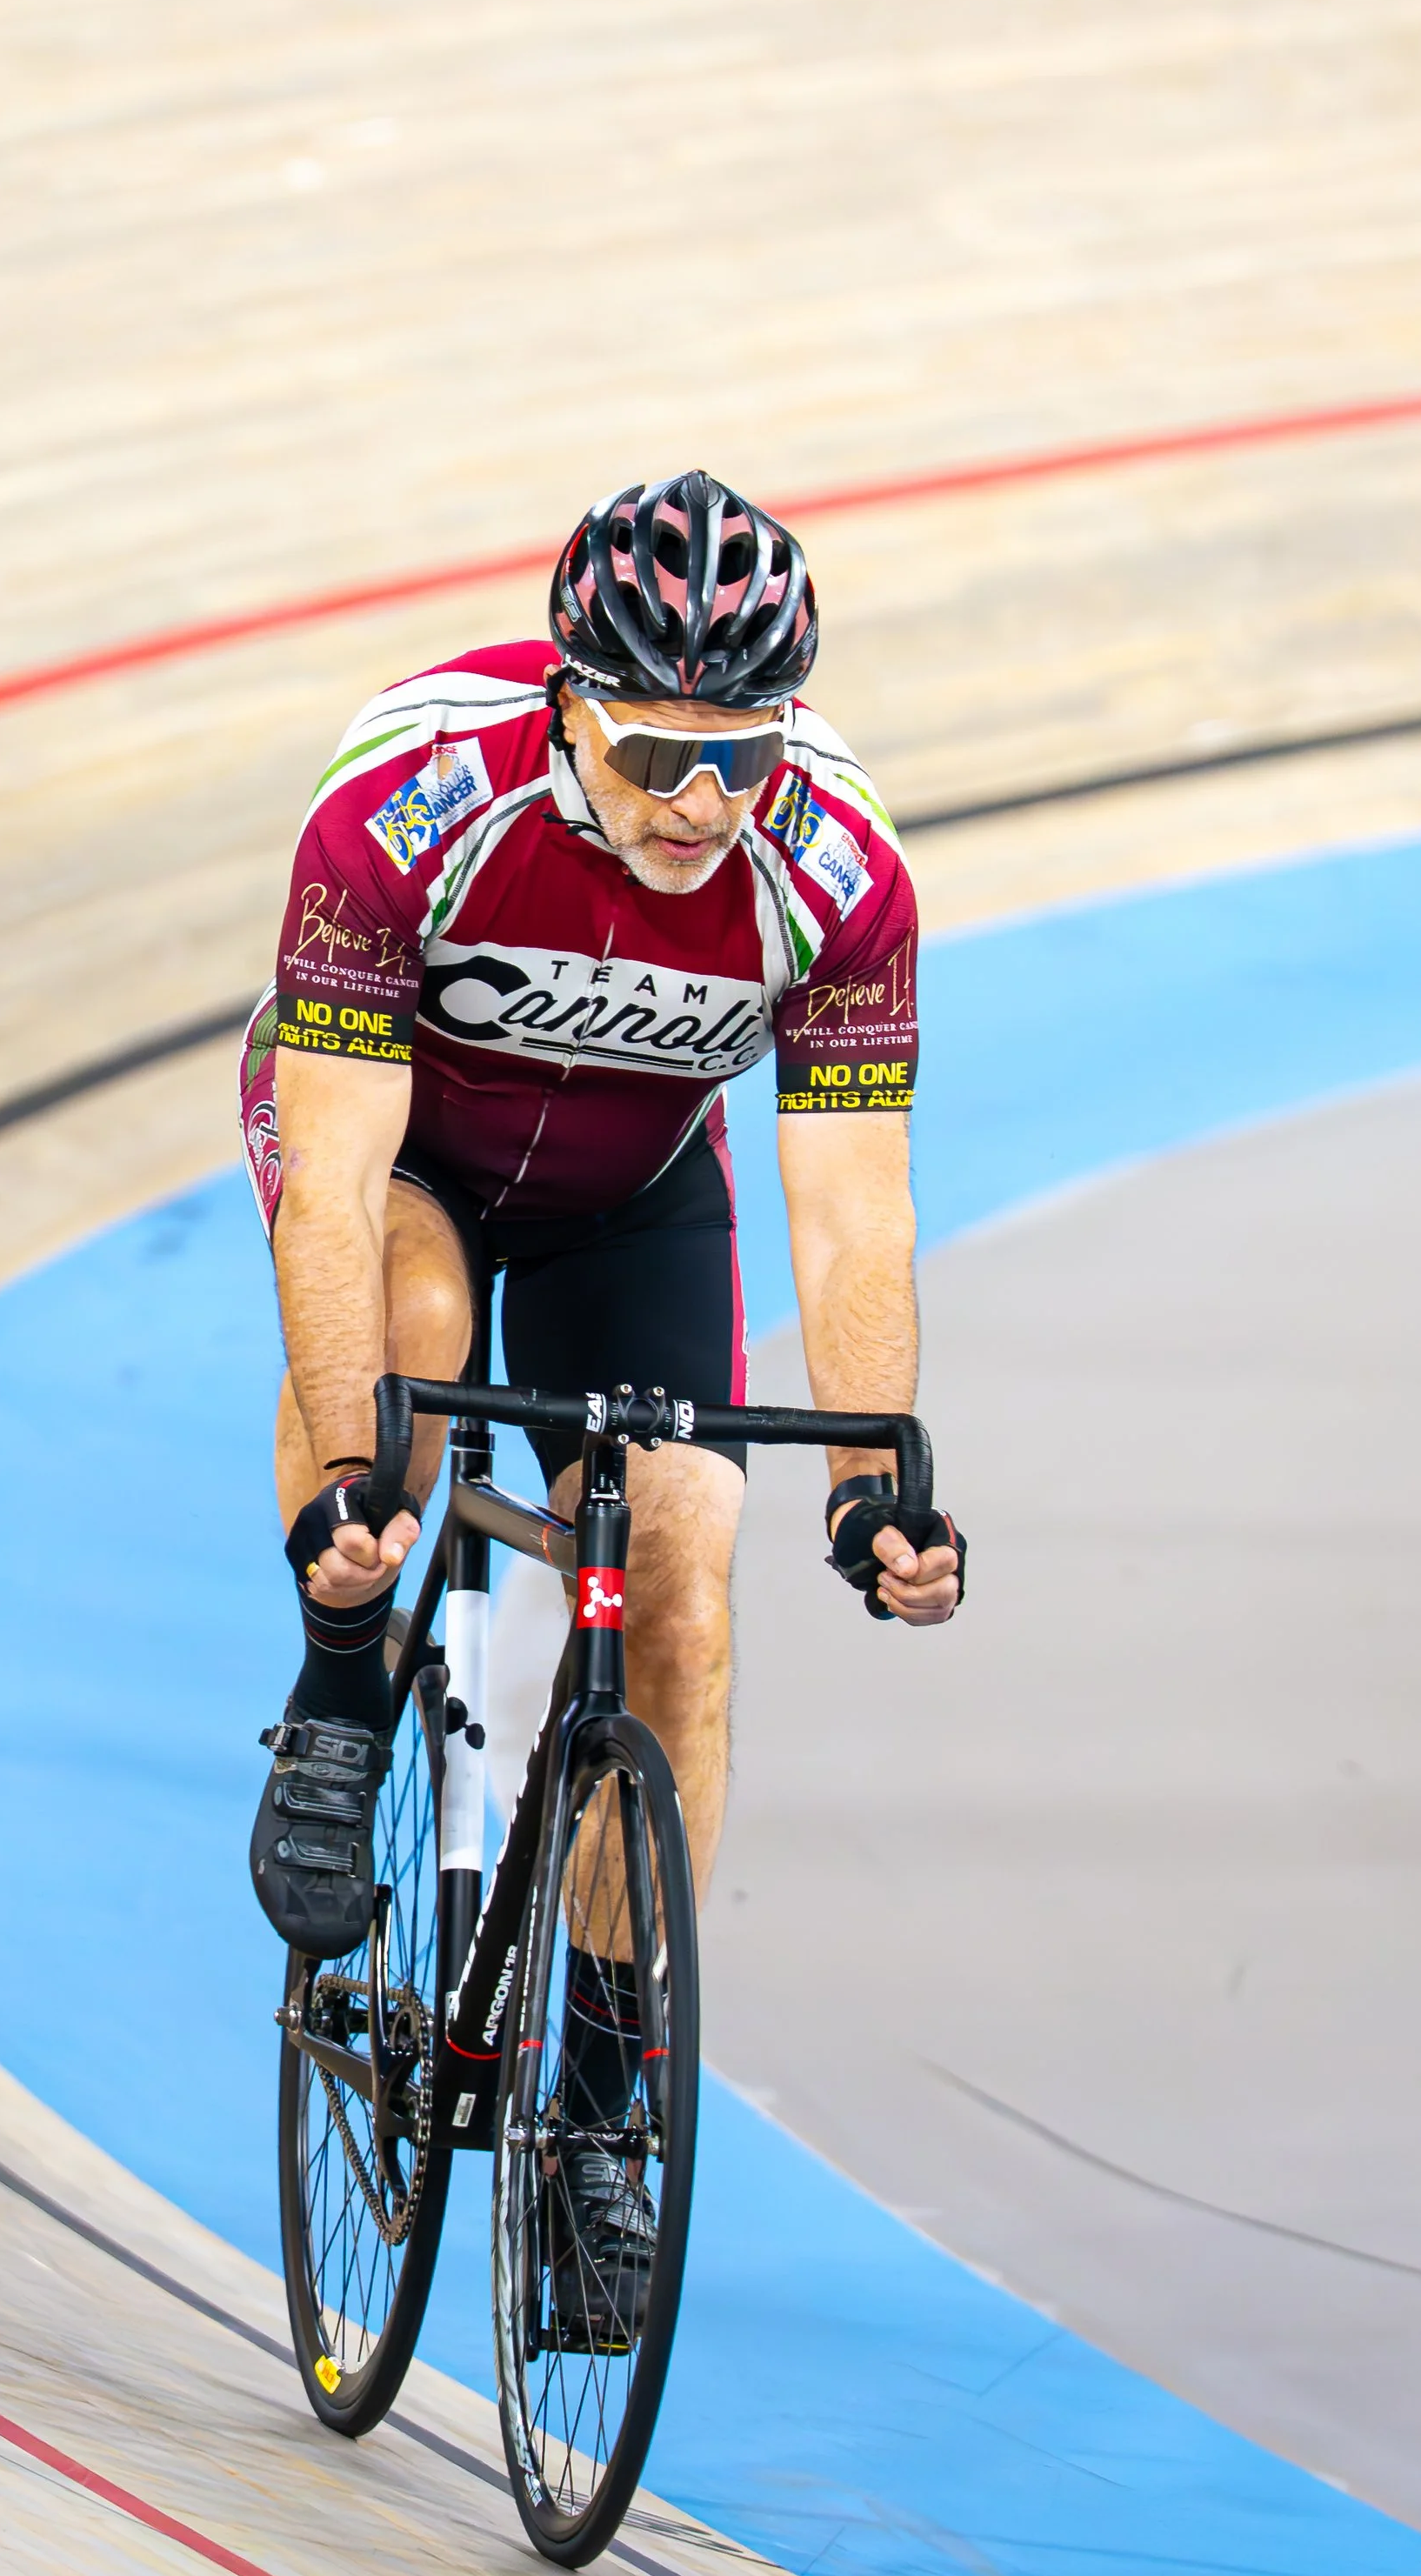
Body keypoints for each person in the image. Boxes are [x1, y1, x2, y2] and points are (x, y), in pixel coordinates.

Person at [237, 470, 964, 2317]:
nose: (700, 807)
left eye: (742, 761)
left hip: (627, 1201)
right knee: (400, 1346)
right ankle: (334, 1704)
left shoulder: (835, 879)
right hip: (406, 1158)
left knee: (687, 1559)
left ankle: (598, 2102)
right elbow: (325, 1181)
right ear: (568, 711)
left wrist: (870, 1482)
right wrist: (345, 1477)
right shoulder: (409, 809)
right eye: (655, 759)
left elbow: (850, 1204)